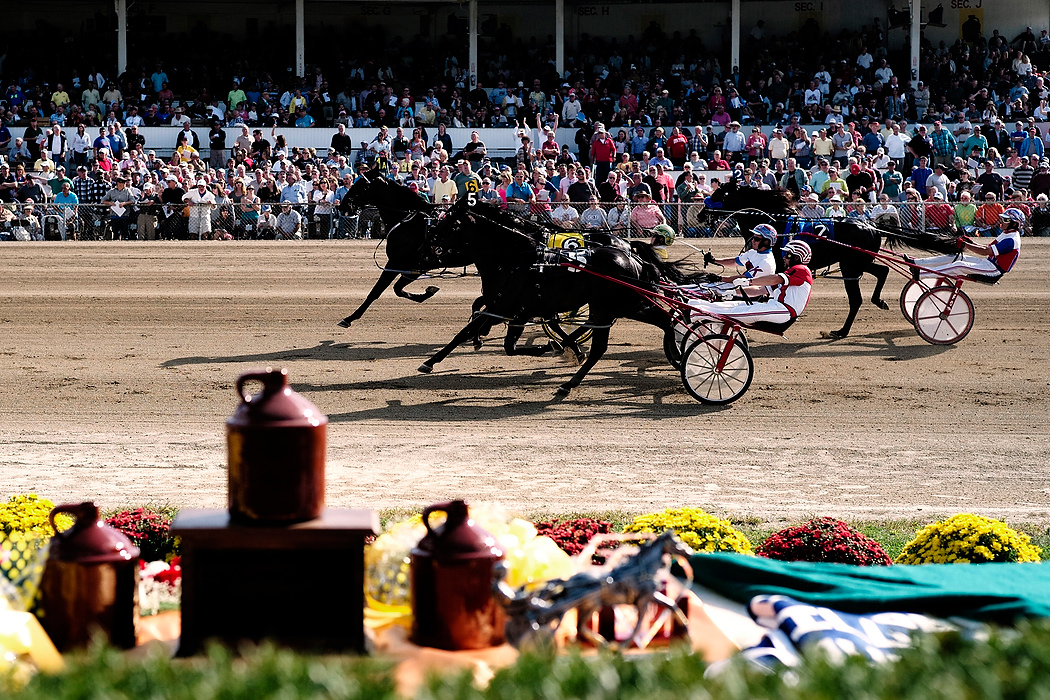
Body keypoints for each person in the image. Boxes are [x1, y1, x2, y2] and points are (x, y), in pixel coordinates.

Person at [687, 240, 814, 327]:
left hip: (783, 311)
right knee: (735, 306)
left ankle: (696, 312)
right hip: (775, 307)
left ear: (797, 257)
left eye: (788, 255)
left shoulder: (802, 270)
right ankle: (694, 305)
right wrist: (731, 292)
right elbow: (759, 290)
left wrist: (749, 281)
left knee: (735, 313)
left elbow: (775, 279)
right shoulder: (792, 275)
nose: (784, 257)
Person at [909, 209, 1022, 281]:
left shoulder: (1011, 240)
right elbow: (985, 248)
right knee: (956, 257)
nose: (1001, 221)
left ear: (1014, 224)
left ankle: (922, 274)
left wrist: (966, 245)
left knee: (959, 265)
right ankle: (917, 263)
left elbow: (985, 252)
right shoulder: (1006, 233)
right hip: (988, 264)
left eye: (1006, 219)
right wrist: (970, 242)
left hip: (994, 270)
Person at [704, 224, 778, 294]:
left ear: (766, 242)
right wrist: (713, 260)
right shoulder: (753, 252)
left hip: (751, 293)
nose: (753, 241)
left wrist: (720, 279)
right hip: (740, 286)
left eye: (756, 239)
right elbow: (734, 262)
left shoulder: (766, 262)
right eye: (753, 237)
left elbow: (744, 279)